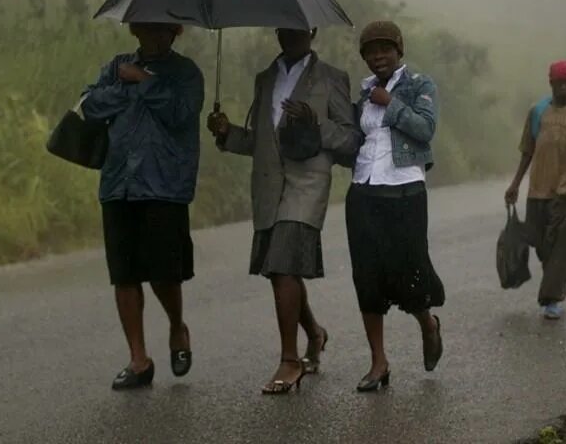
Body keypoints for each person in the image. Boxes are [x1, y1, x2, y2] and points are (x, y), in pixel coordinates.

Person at [206, 28, 360, 394]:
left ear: (313, 31)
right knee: (281, 269)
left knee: (282, 266)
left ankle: (290, 360)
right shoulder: (265, 79)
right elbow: (260, 142)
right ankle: (315, 333)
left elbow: (350, 140)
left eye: (299, 27)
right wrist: (227, 133)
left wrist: (314, 123)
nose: (291, 34)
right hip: (267, 187)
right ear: (277, 31)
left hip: (306, 186)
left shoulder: (331, 78)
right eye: (284, 27)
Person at [81, 22, 204, 390]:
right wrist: (126, 83)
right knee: (124, 274)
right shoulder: (116, 66)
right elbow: (89, 104)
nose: (157, 36)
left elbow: (182, 114)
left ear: (175, 32)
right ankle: (138, 358)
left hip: (164, 184)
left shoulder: (185, 72)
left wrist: (144, 80)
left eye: (164, 30)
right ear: (135, 30)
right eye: (149, 30)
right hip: (119, 183)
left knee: (165, 273)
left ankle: (177, 328)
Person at [344, 20, 445, 393]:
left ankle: (428, 325)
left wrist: (392, 104)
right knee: (367, 278)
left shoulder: (420, 85)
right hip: (363, 193)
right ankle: (378, 363)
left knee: (410, 273)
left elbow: (425, 129)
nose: (378, 57)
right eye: (371, 51)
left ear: (398, 50)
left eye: (385, 49)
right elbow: (353, 141)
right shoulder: (363, 93)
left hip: (405, 192)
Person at [504, 60, 566, 320]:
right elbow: (527, 151)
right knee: (541, 244)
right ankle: (559, 275)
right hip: (537, 190)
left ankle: (550, 298)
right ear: (551, 84)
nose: (565, 88)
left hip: (564, 192)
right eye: (560, 83)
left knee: (559, 247)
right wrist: (515, 184)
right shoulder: (537, 111)